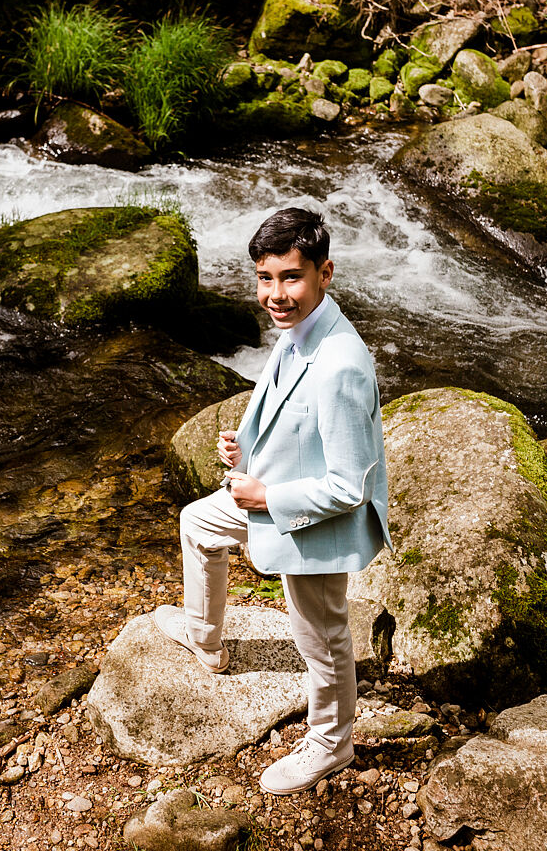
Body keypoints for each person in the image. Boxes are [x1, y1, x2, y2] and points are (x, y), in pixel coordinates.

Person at [154, 206, 391, 795]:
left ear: (325, 273)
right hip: (270, 489)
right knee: (198, 523)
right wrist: (246, 449)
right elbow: (290, 416)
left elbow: (349, 486)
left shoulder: (340, 365)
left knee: (322, 636)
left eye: (291, 277)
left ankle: (331, 744)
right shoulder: (298, 332)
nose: (276, 294)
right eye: (265, 278)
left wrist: (266, 494)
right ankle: (206, 639)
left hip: (315, 517)